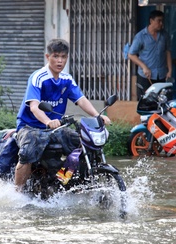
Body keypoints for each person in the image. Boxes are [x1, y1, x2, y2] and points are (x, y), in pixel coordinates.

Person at [14, 38, 111, 192]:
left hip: (55, 127)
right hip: (29, 126)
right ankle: (17, 193)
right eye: (56, 56)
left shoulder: (67, 79)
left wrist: (98, 115)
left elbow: (81, 100)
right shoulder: (38, 77)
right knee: (28, 153)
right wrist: (47, 121)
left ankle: (62, 182)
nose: (60, 61)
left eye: (63, 57)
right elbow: (34, 107)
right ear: (48, 57)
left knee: (82, 142)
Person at [128, 10, 172, 99]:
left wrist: (170, 70)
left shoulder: (164, 35)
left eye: (162, 21)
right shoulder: (140, 36)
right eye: (158, 21)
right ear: (151, 21)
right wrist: (143, 66)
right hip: (146, 76)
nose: (161, 23)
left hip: (161, 75)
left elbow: (168, 52)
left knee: (161, 100)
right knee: (145, 101)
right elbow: (131, 54)